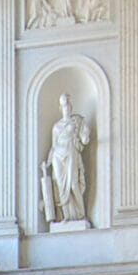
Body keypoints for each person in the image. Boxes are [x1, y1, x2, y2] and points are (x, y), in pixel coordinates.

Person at [43, 93, 92, 223]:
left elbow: (84, 138)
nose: (67, 108)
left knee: (73, 185)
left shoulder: (77, 121)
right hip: (58, 157)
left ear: (71, 106)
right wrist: (47, 163)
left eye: (68, 105)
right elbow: (53, 146)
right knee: (60, 186)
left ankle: (81, 215)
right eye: (64, 105)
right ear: (60, 108)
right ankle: (66, 216)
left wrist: (85, 137)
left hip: (71, 154)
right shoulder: (56, 127)